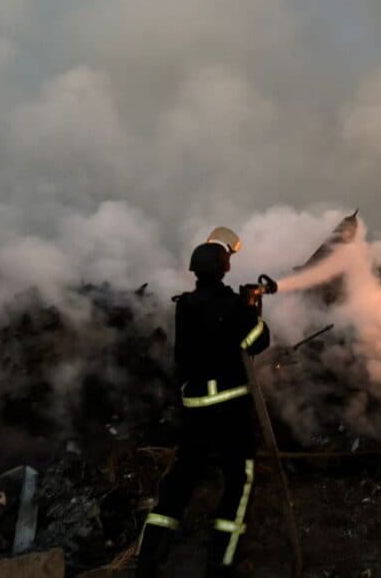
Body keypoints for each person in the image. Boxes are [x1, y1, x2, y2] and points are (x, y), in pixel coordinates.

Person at [136, 227, 271, 577]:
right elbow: (255, 343)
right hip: (230, 408)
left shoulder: (185, 306)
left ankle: (147, 559)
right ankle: (220, 562)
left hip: (195, 408)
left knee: (182, 478)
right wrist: (253, 309)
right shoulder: (233, 305)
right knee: (239, 478)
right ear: (225, 267)